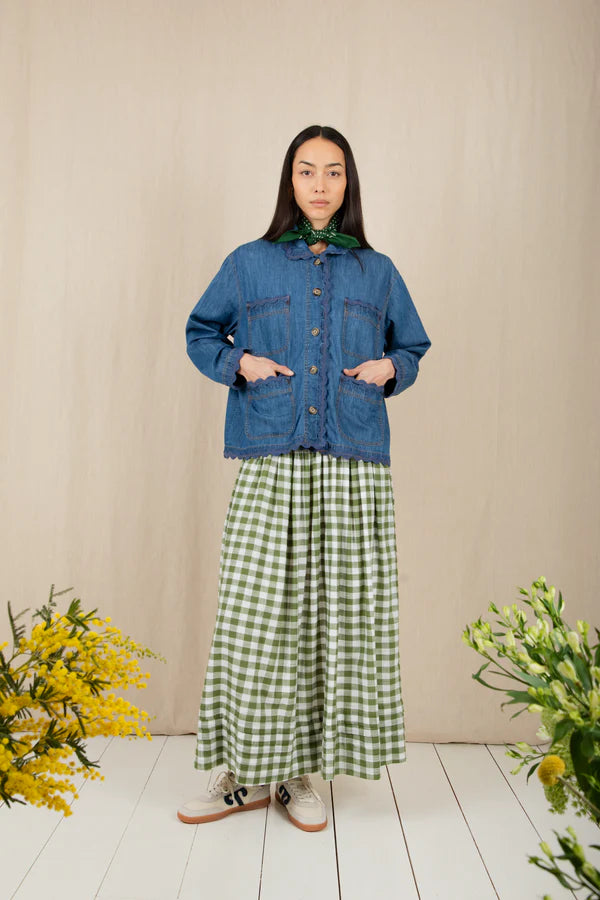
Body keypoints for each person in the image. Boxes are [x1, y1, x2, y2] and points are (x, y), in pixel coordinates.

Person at [176, 124, 432, 833]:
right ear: (288, 181)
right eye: (306, 171)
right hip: (270, 454)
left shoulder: (377, 272)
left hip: (351, 465)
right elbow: (202, 331)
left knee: (330, 621)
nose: (320, 185)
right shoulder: (249, 263)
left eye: (334, 173)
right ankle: (247, 768)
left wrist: (392, 369)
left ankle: (298, 773)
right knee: (258, 621)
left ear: (349, 185)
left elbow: (410, 346)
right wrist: (240, 365)